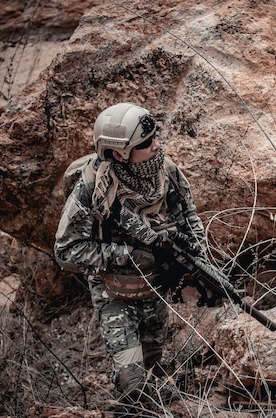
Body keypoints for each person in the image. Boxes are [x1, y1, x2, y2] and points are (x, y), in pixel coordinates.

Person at [54, 102, 206, 411]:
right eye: (146, 143)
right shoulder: (92, 186)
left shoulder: (166, 171)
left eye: (154, 137)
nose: (156, 146)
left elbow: (190, 218)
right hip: (114, 292)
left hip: (155, 287)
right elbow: (66, 251)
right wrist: (127, 255)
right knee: (132, 382)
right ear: (119, 153)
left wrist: (195, 259)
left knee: (153, 364)